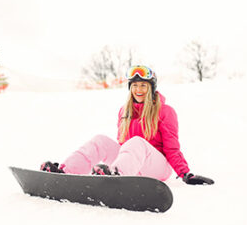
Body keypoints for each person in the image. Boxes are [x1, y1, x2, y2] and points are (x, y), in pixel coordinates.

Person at [41, 65, 214, 185]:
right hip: (131, 164)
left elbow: (172, 148)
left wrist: (185, 174)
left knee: (136, 142)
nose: (139, 89)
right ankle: (65, 172)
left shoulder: (165, 111)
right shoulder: (124, 111)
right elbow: (124, 146)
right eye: (135, 85)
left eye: (143, 85)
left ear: (151, 88)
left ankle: (117, 176)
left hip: (158, 167)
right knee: (100, 140)